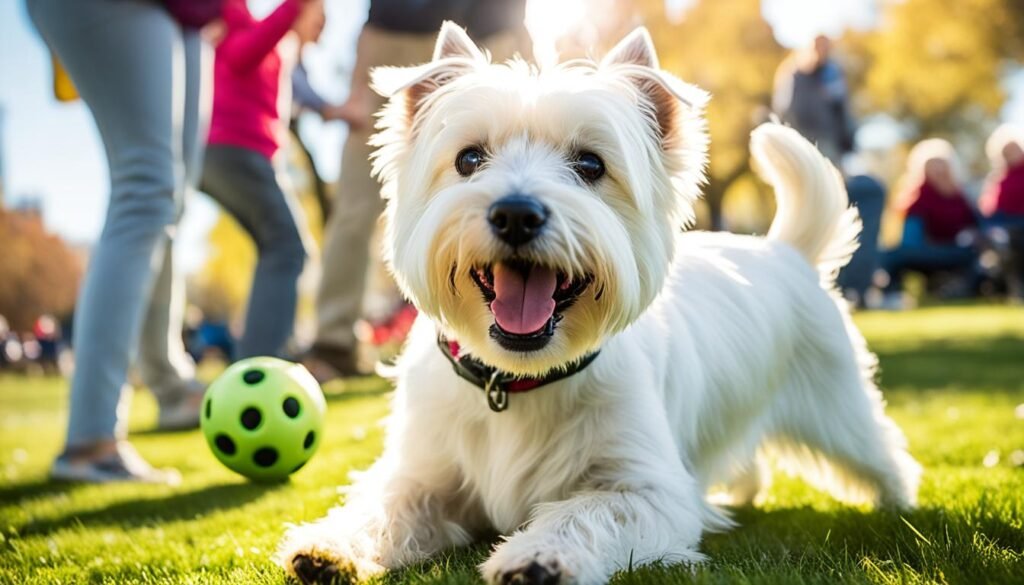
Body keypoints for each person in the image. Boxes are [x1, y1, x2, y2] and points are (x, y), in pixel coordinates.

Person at [29, 0, 218, 483]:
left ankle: (172, 387)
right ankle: (91, 438)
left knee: (172, 198)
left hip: (191, 15)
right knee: (147, 188)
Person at [303, 0, 532, 382]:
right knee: (357, 203)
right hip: (397, 34)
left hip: (498, 28)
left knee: (531, 184)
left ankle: (532, 326)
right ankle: (333, 342)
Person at [199, 0, 327, 360]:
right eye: (319, 17)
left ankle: (262, 351)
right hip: (234, 149)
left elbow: (307, 95)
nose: (322, 28)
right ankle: (262, 360)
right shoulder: (242, 23)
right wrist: (294, 7)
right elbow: (242, 54)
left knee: (278, 247)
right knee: (288, 246)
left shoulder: (284, 49)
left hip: (243, 154)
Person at [879, 139, 980, 307]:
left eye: (941, 164)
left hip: (957, 251)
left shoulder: (962, 197)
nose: (938, 169)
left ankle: (960, 290)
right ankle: (892, 296)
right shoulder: (916, 198)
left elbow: (975, 226)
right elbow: (910, 239)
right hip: (926, 250)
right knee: (892, 255)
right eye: (933, 164)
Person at [773, 35, 855, 166]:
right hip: (801, 142)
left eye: (825, 47)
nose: (822, 51)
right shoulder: (792, 74)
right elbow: (783, 109)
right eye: (818, 47)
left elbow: (842, 109)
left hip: (829, 143)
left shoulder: (832, 74)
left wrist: (848, 140)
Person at [980, 124, 1024, 297]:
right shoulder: (998, 180)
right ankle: (1016, 288)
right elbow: (990, 211)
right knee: (1005, 247)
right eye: (1006, 151)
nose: (1011, 154)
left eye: (1015, 149)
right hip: (1007, 228)